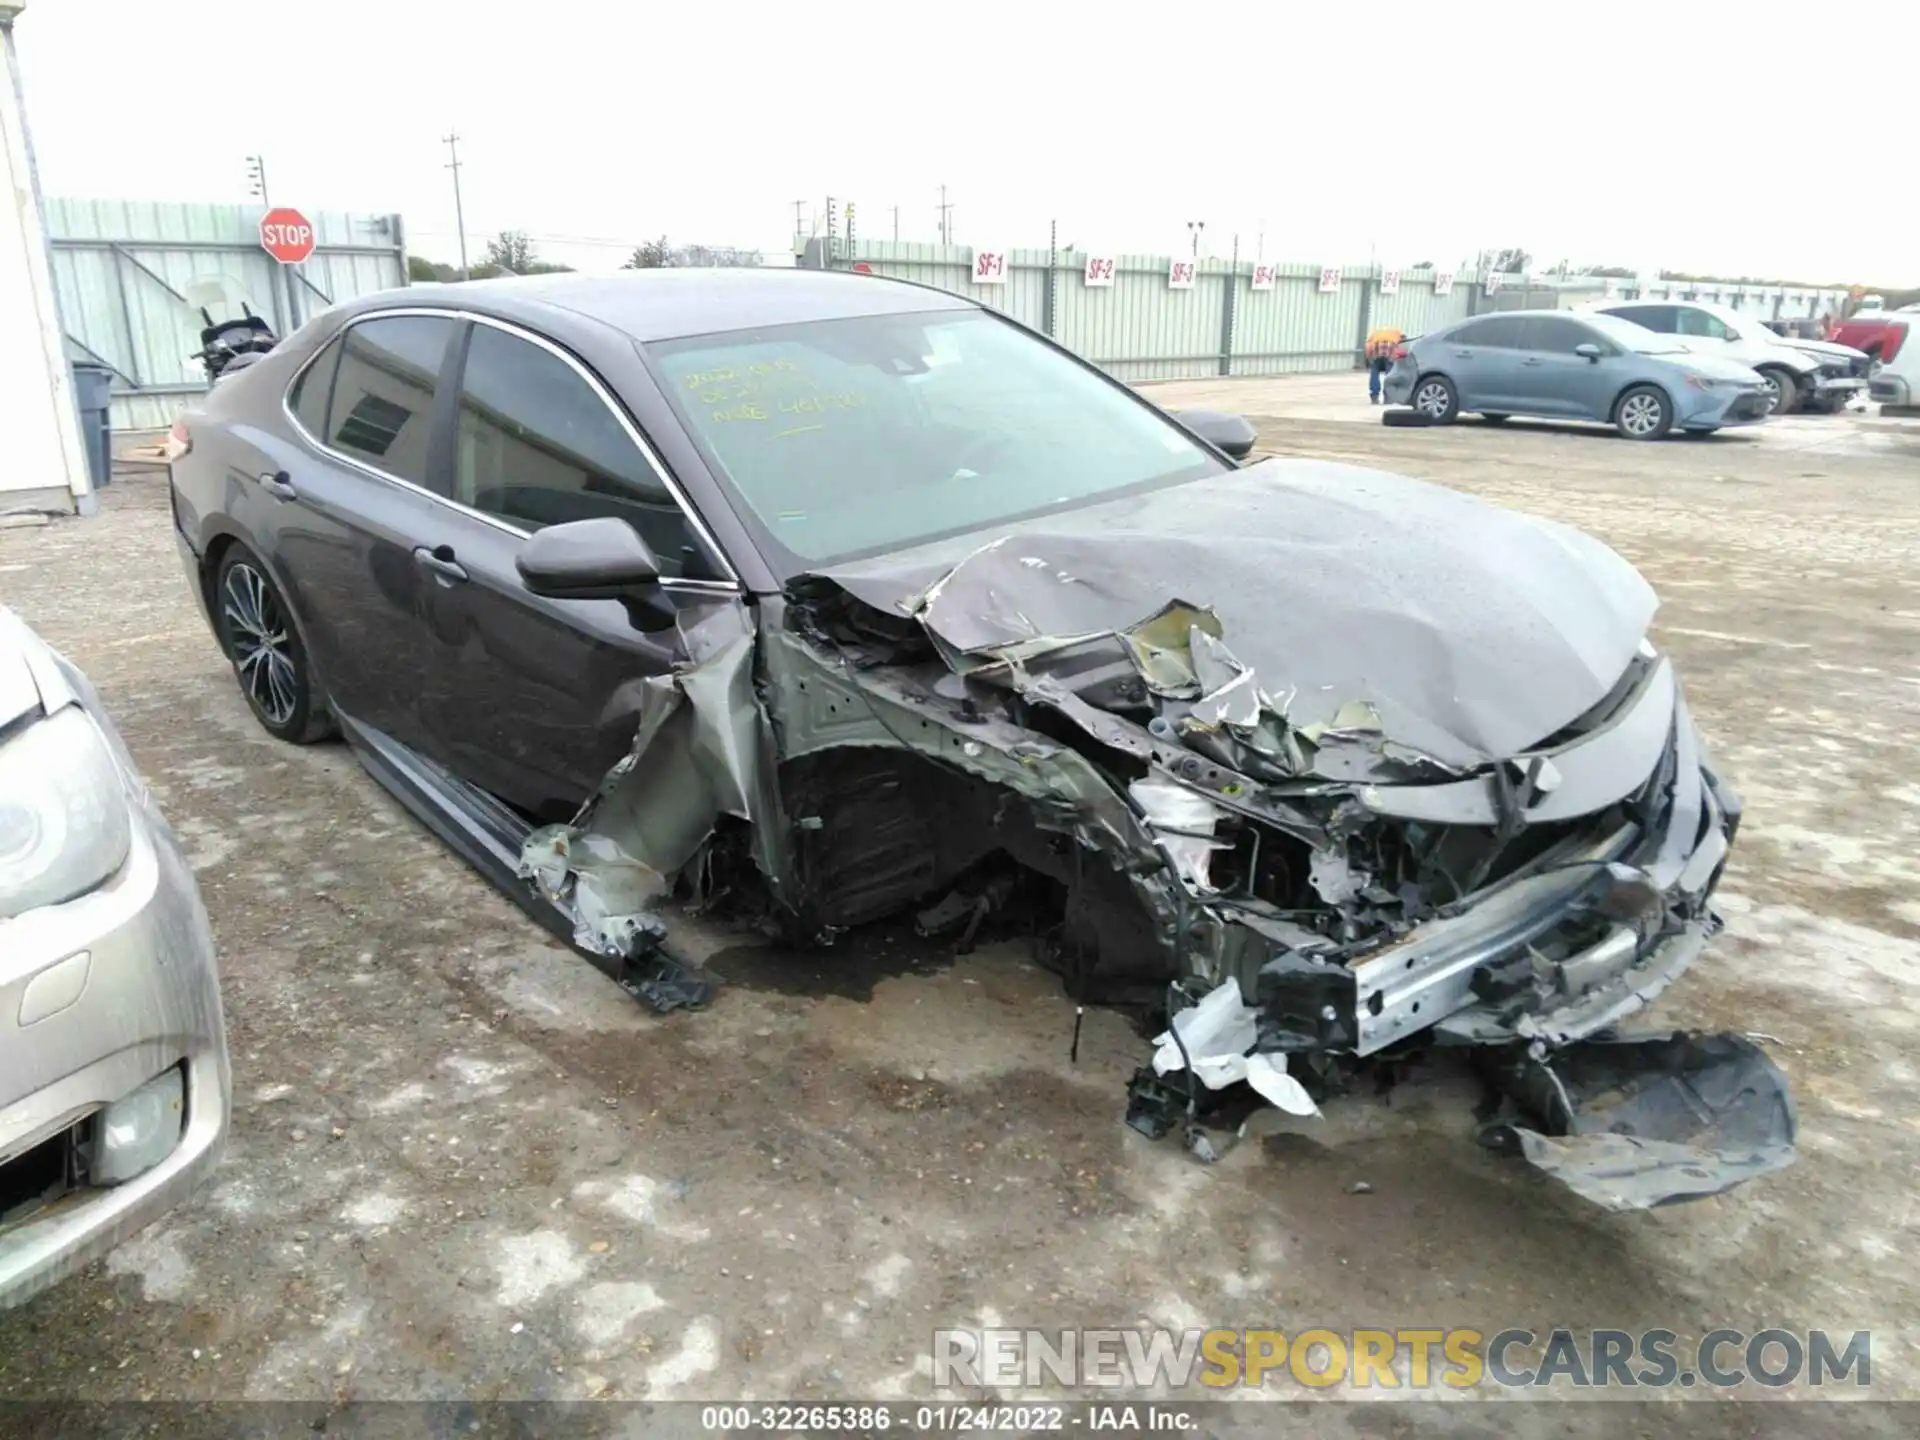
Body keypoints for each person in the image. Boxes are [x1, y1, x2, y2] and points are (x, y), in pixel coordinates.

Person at [1364, 325, 1406, 404]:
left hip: (1376, 348)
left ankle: (1374, 397)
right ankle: (1388, 397)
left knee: (1374, 374)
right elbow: (1403, 345)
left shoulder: (1375, 333)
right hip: (1389, 349)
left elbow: (1368, 346)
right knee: (1389, 375)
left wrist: (1367, 359)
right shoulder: (1397, 333)